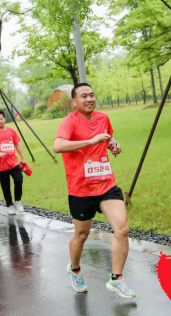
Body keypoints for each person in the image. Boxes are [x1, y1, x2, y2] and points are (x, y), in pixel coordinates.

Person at [53, 83, 135, 298]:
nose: (89, 99)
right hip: (81, 189)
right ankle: (75, 268)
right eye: (83, 96)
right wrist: (89, 141)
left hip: (106, 184)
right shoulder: (69, 121)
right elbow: (58, 146)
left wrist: (115, 146)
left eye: (91, 95)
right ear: (74, 102)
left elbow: (109, 139)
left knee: (122, 229)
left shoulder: (102, 118)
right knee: (81, 235)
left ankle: (117, 278)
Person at [0, 110, 26, 215]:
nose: (0, 121)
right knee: (5, 186)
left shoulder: (11, 131)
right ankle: (9, 205)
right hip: (1, 165)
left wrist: (22, 157)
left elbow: (17, 144)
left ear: (4, 119)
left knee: (19, 180)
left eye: (1, 119)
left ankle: (17, 201)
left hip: (14, 162)